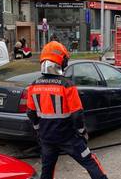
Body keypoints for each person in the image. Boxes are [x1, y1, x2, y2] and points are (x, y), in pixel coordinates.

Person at [26, 40, 108, 179]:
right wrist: (82, 132)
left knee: (47, 171)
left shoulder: (34, 86)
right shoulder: (67, 85)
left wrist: (39, 129)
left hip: (47, 137)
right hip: (69, 137)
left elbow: (31, 112)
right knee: (90, 162)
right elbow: (77, 114)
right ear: (60, 62)